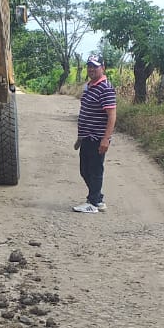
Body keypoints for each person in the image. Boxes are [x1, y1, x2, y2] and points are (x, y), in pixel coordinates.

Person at [72, 53, 117, 214]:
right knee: (85, 170)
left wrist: (106, 139)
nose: (91, 69)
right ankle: (97, 199)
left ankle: (94, 202)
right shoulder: (90, 86)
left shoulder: (105, 88)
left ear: (103, 68)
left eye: (95, 67)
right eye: (89, 66)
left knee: (95, 170)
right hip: (87, 137)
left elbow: (112, 116)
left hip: (97, 137)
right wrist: (80, 138)